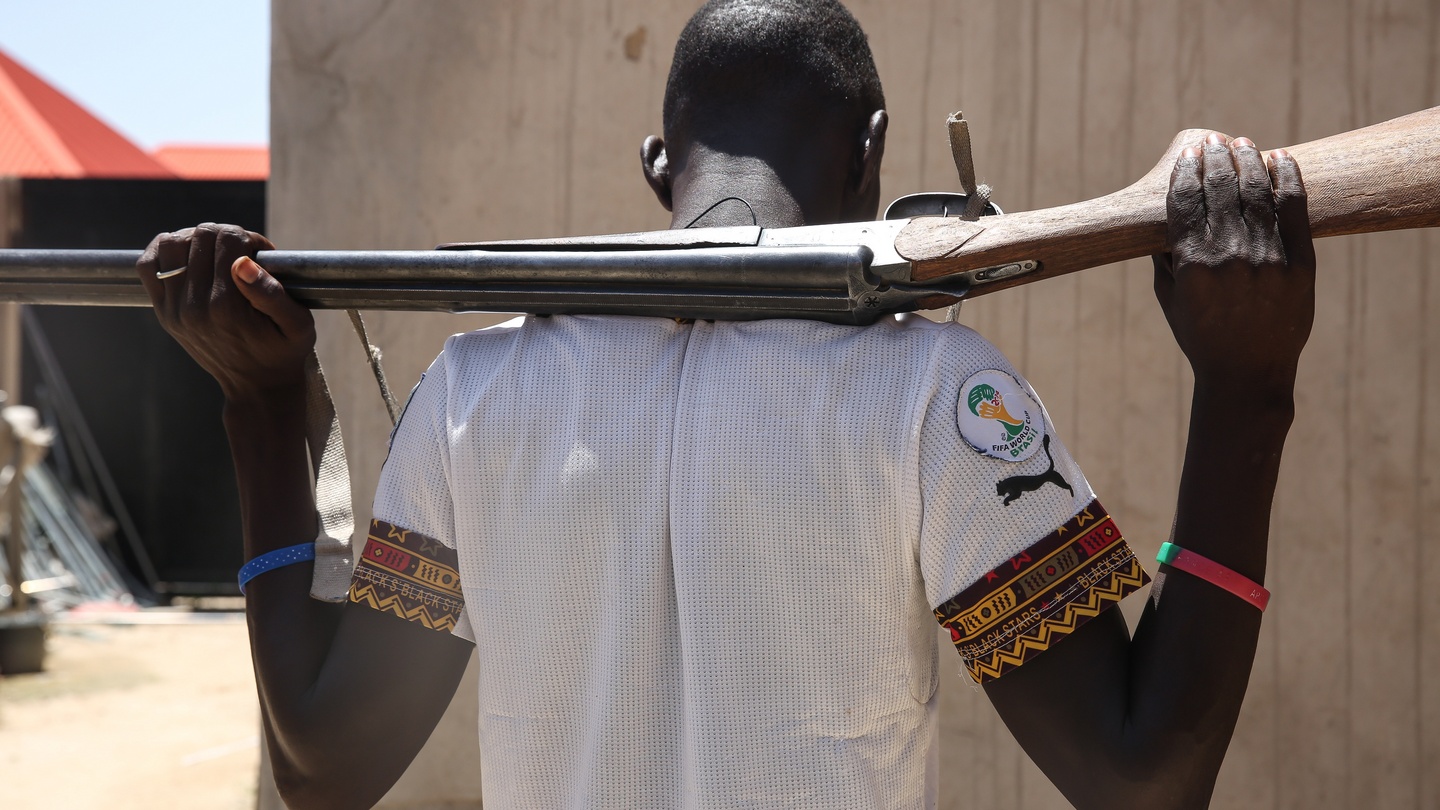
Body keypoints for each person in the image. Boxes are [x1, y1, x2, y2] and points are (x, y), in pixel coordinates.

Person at [136, 1, 1315, 807]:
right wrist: (1246, 391)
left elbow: (323, 766)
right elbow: (1144, 777)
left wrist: (259, 406)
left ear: (660, 165)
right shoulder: (933, 393)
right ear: (871, 151)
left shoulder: (476, 389)